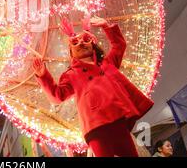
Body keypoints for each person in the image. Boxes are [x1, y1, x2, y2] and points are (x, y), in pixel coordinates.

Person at [33, 16, 154, 157]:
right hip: (95, 127)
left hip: (118, 120)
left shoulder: (108, 63)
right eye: (74, 42)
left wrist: (106, 26)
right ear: (71, 52)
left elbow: (119, 45)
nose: (81, 43)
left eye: (86, 39)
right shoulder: (71, 75)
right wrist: (43, 75)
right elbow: (57, 96)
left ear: (93, 44)